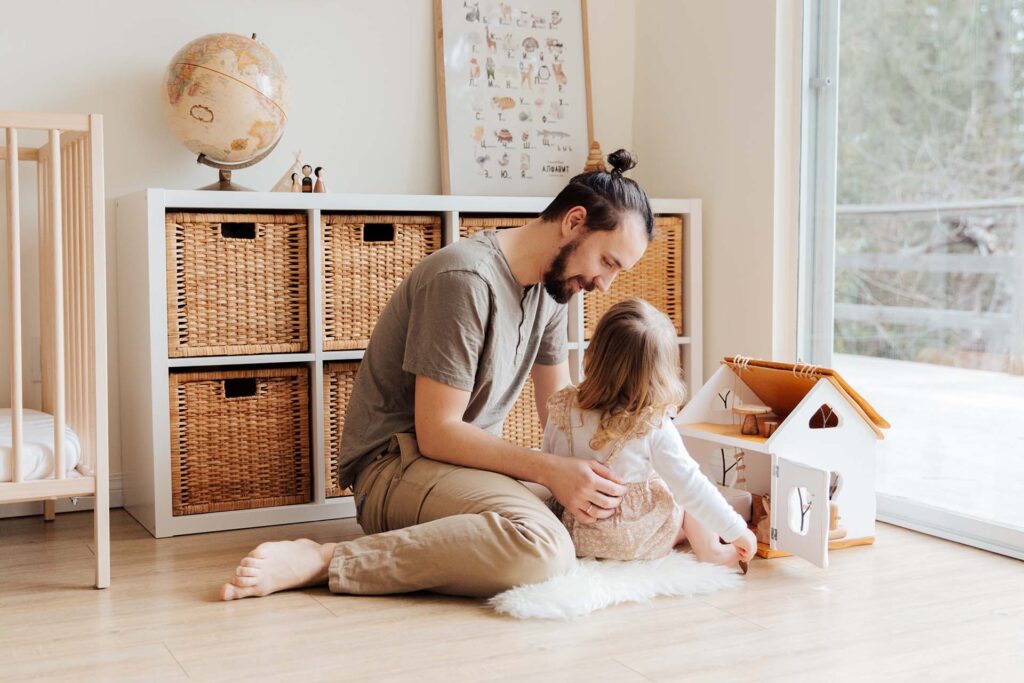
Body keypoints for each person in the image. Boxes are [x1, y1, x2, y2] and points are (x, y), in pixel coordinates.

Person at [221, 150, 655, 600]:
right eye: (607, 262)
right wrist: (552, 473)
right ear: (574, 222)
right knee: (544, 548)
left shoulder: (551, 289)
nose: (604, 284)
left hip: (465, 469)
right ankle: (328, 559)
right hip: (396, 467)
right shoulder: (465, 279)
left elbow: (560, 412)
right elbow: (437, 433)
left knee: (601, 510)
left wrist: (621, 465)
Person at [543, 299, 757, 570]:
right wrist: (737, 530)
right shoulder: (652, 425)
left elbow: (548, 463)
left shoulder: (562, 408)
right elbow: (692, 488)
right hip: (634, 540)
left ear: (593, 354)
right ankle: (711, 550)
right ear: (662, 375)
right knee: (684, 489)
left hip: (575, 532)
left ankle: (681, 535)